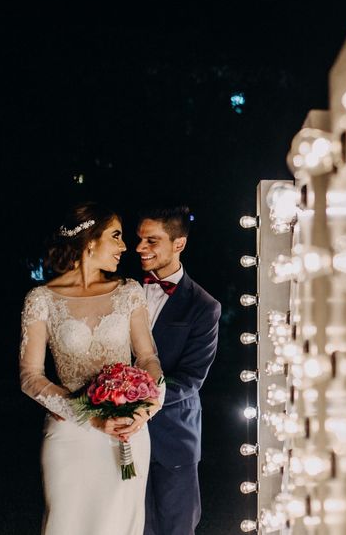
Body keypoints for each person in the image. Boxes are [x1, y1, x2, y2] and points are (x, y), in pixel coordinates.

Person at [19, 202, 164, 535]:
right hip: (71, 433)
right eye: (116, 236)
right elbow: (30, 376)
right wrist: (88, 415)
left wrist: (149, 406)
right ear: (89, 241)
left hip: (127, 432)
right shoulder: (41, 299)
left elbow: (147, 358)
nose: (125, 247)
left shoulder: (129, 292)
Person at [136, 206, 221, 535]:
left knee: (176, 527)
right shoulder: (126, 291)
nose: (140, 247)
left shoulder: (204, 306)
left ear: (178, 244)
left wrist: (133, 400)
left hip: (173, 434)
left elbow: (190, 379)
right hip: (119, 435)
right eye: (140, 239)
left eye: (151, 241)